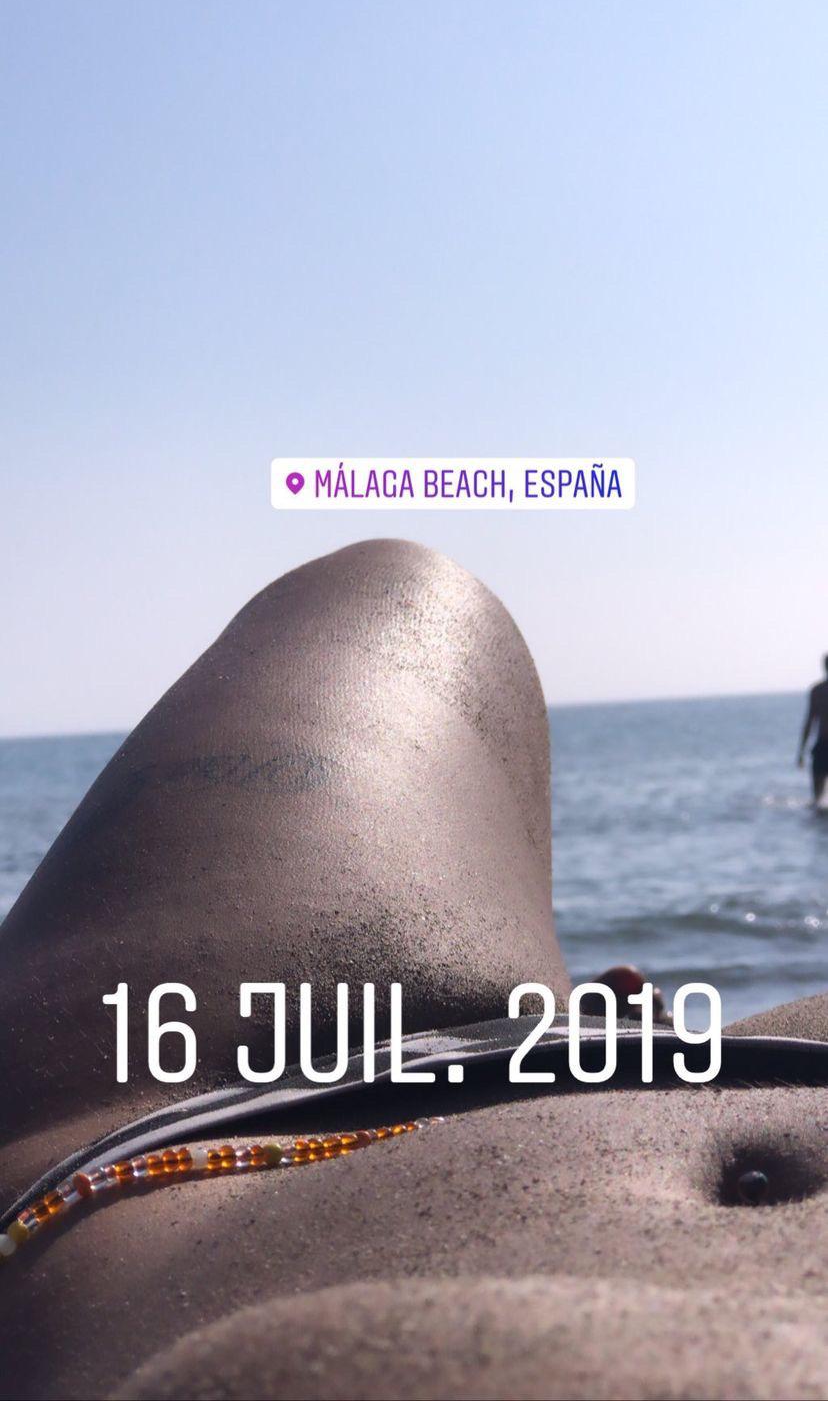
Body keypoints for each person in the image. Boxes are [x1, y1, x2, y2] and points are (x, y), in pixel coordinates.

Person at [2, 541, 828, 1401]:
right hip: (731, 1074)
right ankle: (573, 1047)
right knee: (402, 594)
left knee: (391, 588)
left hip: (172, 1180)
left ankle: (560, 1048)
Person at [797, 655, 828, 804]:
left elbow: (809, 722)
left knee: (817, 799)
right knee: (817, 799)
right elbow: (810, 722)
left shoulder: (817, 691)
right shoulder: (817, 691)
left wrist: (801, 751)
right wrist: (801, 751)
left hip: (822, 744)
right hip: (822, 745)